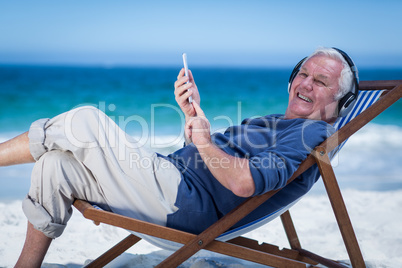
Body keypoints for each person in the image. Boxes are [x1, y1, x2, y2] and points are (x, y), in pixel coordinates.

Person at [0, 47, 357, 267]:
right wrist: (193, 113)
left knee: (84, 121)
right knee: (56, 165)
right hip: (172, 184)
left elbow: (244, 182)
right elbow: (216, 159)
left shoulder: (314, 132)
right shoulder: (277, 123)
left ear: (340, 103)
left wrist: (203, 142)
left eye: (321, 81)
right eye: (303, 73)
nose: (305, 83)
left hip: (184, 207)